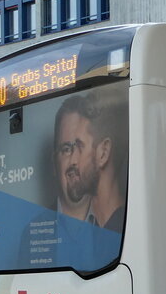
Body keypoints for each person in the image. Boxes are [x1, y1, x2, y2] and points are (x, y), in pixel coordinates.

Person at [53, 92, 126, 231]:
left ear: (103, 153)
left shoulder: (122, 231)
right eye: (68, 149)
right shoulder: (96, 232)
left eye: (79, 146)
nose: (73, 160)